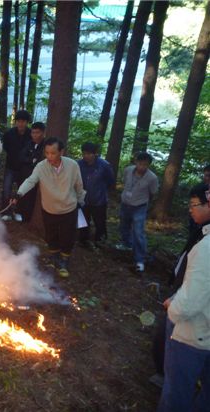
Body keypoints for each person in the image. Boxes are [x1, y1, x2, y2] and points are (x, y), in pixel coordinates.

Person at [158, 182, 210, 411]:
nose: (190, 208)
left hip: (194, 335)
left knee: (176, 393)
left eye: (195, 204)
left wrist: (173, 308)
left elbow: (189, 303)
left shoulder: (207, 247)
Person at [11, 137, 85, 277]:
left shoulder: (72, 165)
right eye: (47, 153)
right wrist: (18, 194)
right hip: (49, 208)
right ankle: (54, 257)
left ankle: (64, 260)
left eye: (53, 153)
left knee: (67, 236)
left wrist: (81, 200)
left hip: (68, 208)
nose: (50, 156)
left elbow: (78, 185)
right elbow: (30, 181)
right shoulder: (41, 166)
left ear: (61, 152)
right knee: (51, 235)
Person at [117, 152, 159, 273]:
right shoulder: (128, 170)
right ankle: (127, 245)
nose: (142, 167)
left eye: (145, 165)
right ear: (136, 162)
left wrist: (143, 201)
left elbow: (153, 193)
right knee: (123, 226)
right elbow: (124, 182)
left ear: (148, 165)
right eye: (140, 163)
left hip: (139, 206)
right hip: (125, 204)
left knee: (138, 231)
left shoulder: (152, 178)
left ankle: (140, 259)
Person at [77, 142, 115, 247]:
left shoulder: (104, 165)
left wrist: (101, 190)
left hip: (99, 199)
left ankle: (101, 241)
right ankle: (83, 240)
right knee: (82, 221)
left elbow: (111, 181)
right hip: (82, 199)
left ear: (95, 153)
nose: (86, 156)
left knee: (100, 222)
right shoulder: (79, 164)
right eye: (84, 154)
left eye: (89, 154)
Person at [0, 110, 32, 222]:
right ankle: (6, 211)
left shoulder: (31, 134)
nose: (21, 124)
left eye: (23, 121)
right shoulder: (9, 134)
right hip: (10, 166)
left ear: (27, 122)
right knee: (6, 189)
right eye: (18, 121)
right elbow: (6, 148)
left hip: (24, 168)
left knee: (21, 191)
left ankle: (19, 211)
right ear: (15, 122)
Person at [17, 121, 46, 223]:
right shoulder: (30, 143)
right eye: (33, 132)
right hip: (25, 175)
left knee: (32, 198)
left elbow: (40, 160)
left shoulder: (45, 146)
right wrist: (31, 160)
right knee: (23, 195)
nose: (35, 135)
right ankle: (23, 216)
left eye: (37, 132)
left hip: (38, 177)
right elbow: (21, 156)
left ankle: (28, 218)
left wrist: (33, 160)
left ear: (43, 133)